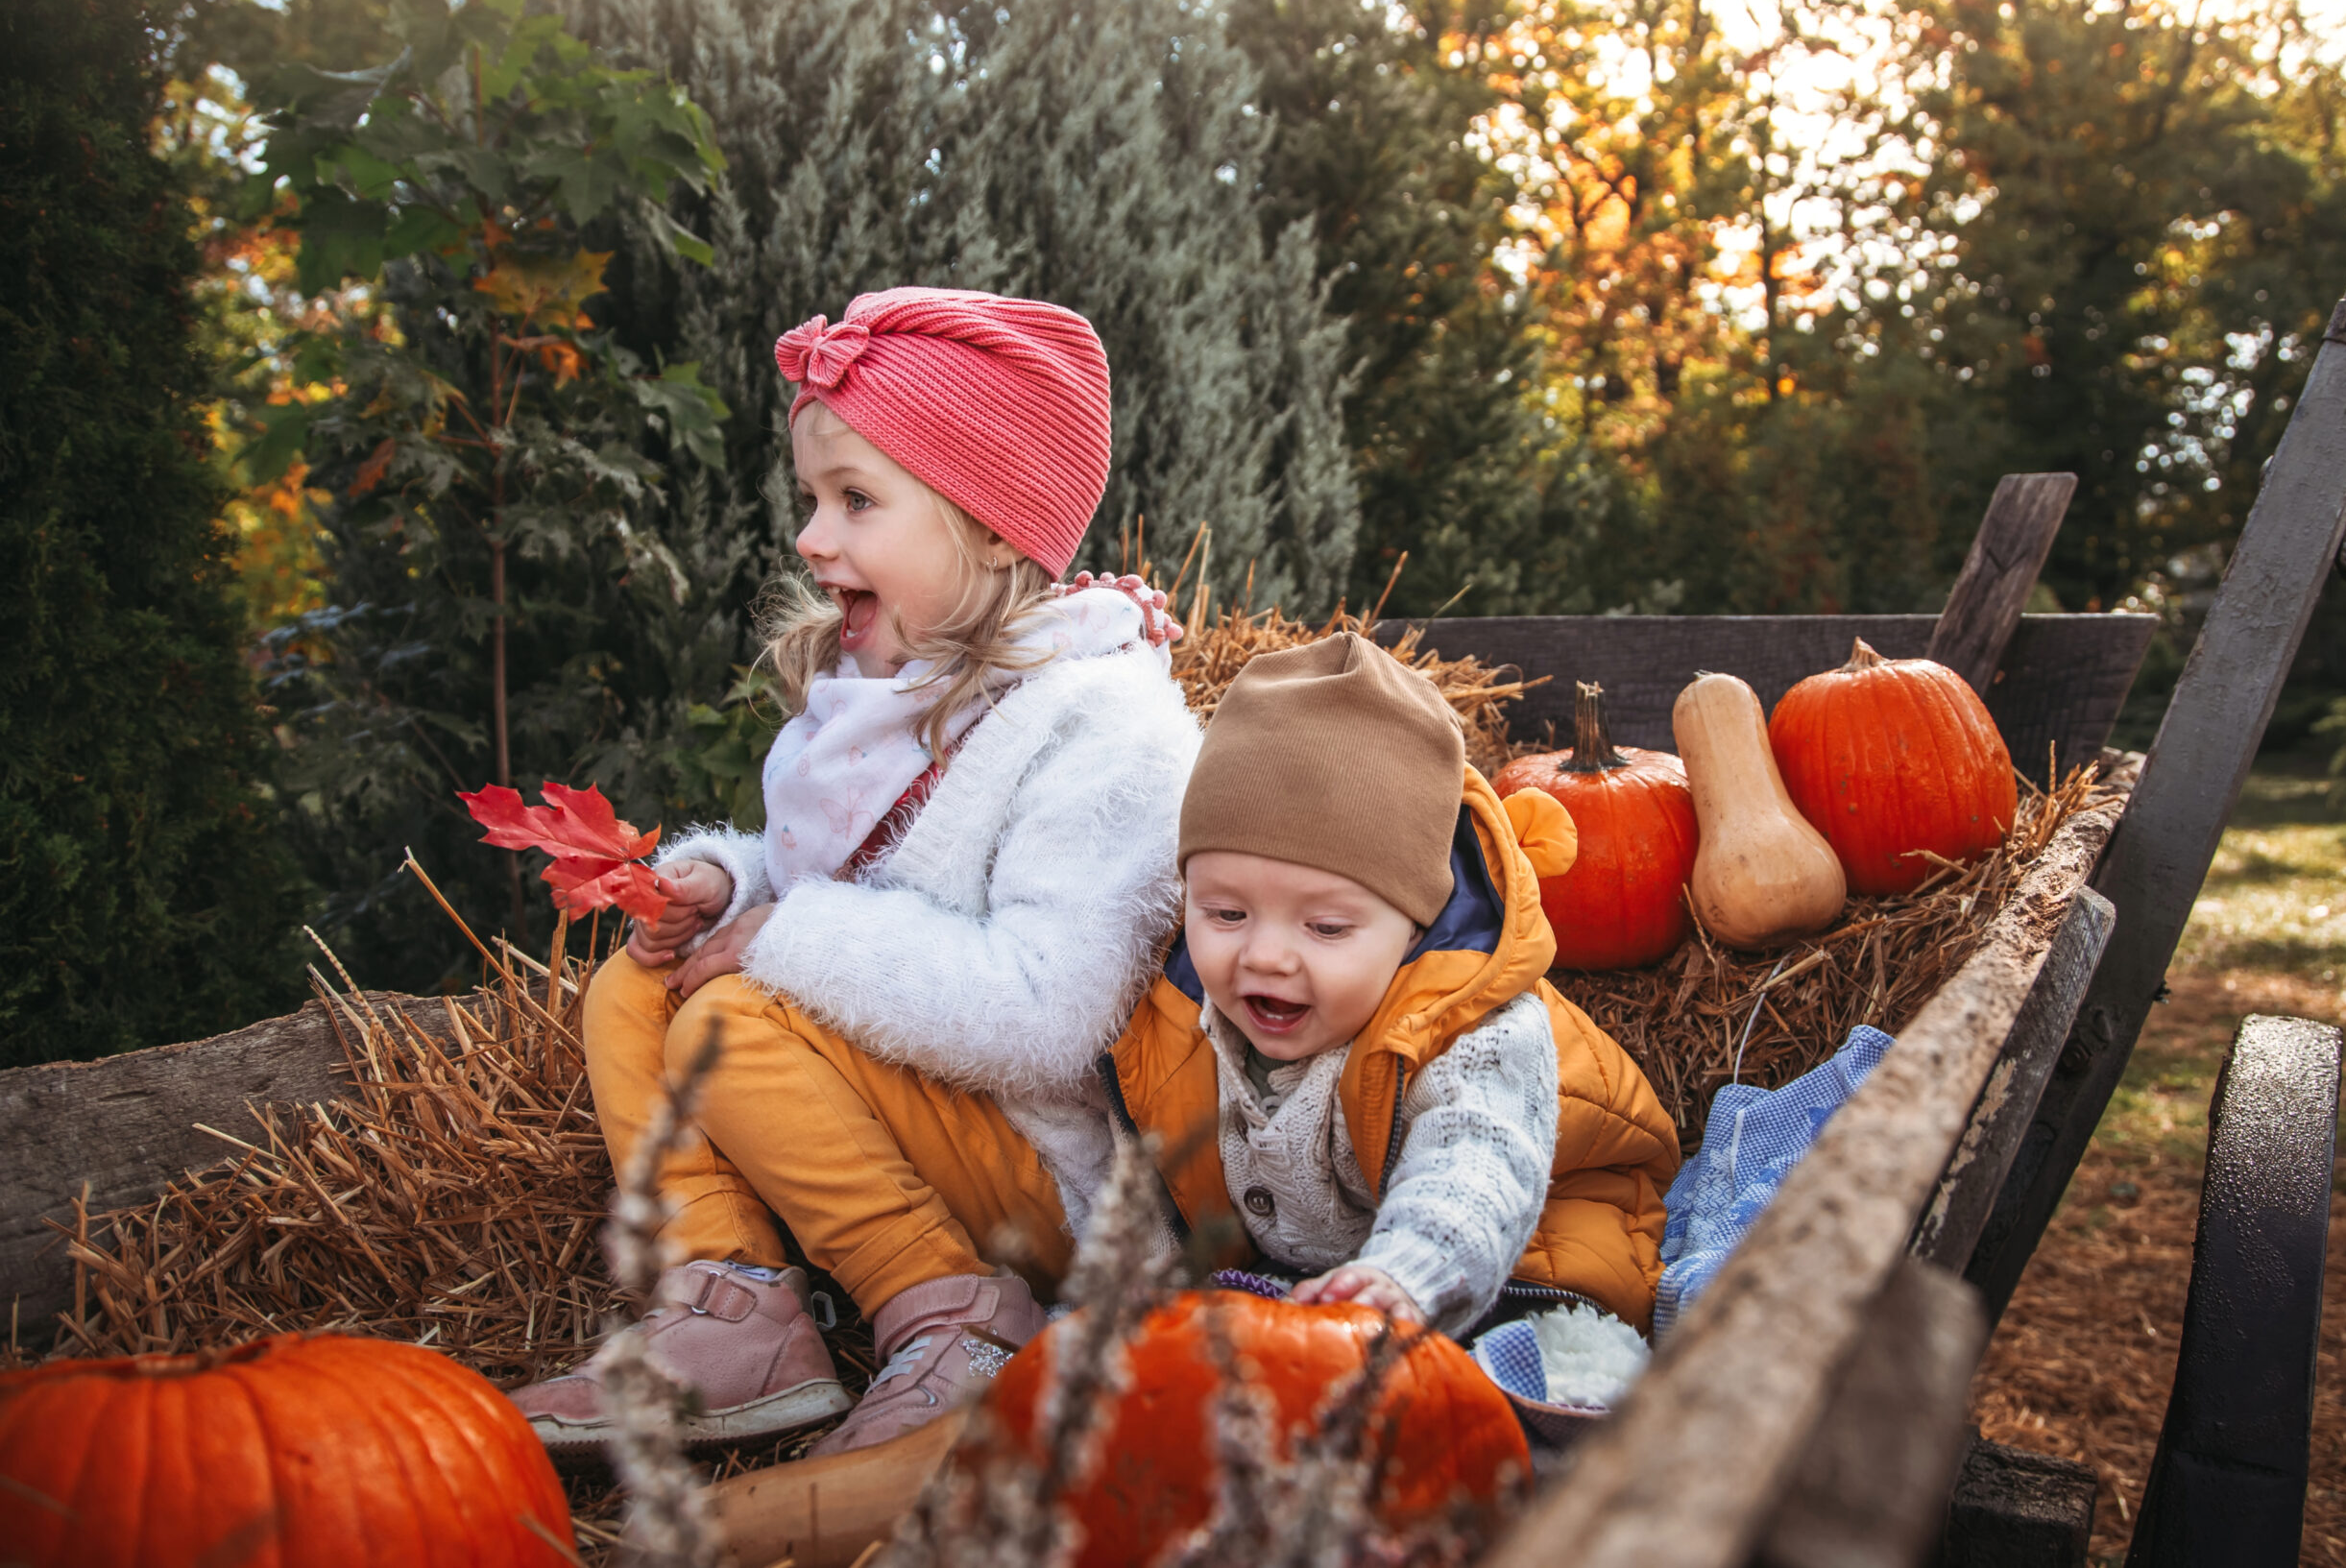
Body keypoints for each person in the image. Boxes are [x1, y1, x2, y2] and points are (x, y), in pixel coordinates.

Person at [511, 290, 1201, 1456]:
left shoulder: (1102, 729)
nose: (811, 540)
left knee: (736, 1021)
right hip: (908, 1104)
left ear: (989, 526)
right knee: (637, 991)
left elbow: (1048, 1014)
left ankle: (952, 1310)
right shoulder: (892, 698)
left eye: (856, 502)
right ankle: (731, 1306)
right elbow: (818, 879)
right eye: (814, 502)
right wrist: (726, 891)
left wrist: (779, 939)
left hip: (1048, 1174)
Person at [1101, 634, 1682, 1337]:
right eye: (1226, 912)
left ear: (1415, 927)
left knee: (1523, 1359)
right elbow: (1154, 1171)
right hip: (1324, 1275)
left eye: (1325, 927)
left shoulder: (1476, 1029)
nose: (1266, 955)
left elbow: (1474, 1165)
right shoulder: (1177, 1014)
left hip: (1537, 1233)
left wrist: (1404, 1275)